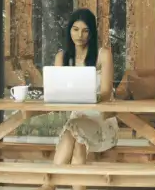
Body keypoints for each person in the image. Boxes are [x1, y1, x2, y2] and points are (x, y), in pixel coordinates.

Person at [50, 9, 118, 175]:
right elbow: (57, 90)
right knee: (78, 145)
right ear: (69, 30)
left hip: (101, 119)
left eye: (85, 30)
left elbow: (106, 93)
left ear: (92, 33)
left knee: (73, 130)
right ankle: (51, 184)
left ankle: (49, 183)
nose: (79, 35)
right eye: (75, 29)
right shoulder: (62, 58)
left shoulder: (103, 55)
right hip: (77, 119)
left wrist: (90, 98)